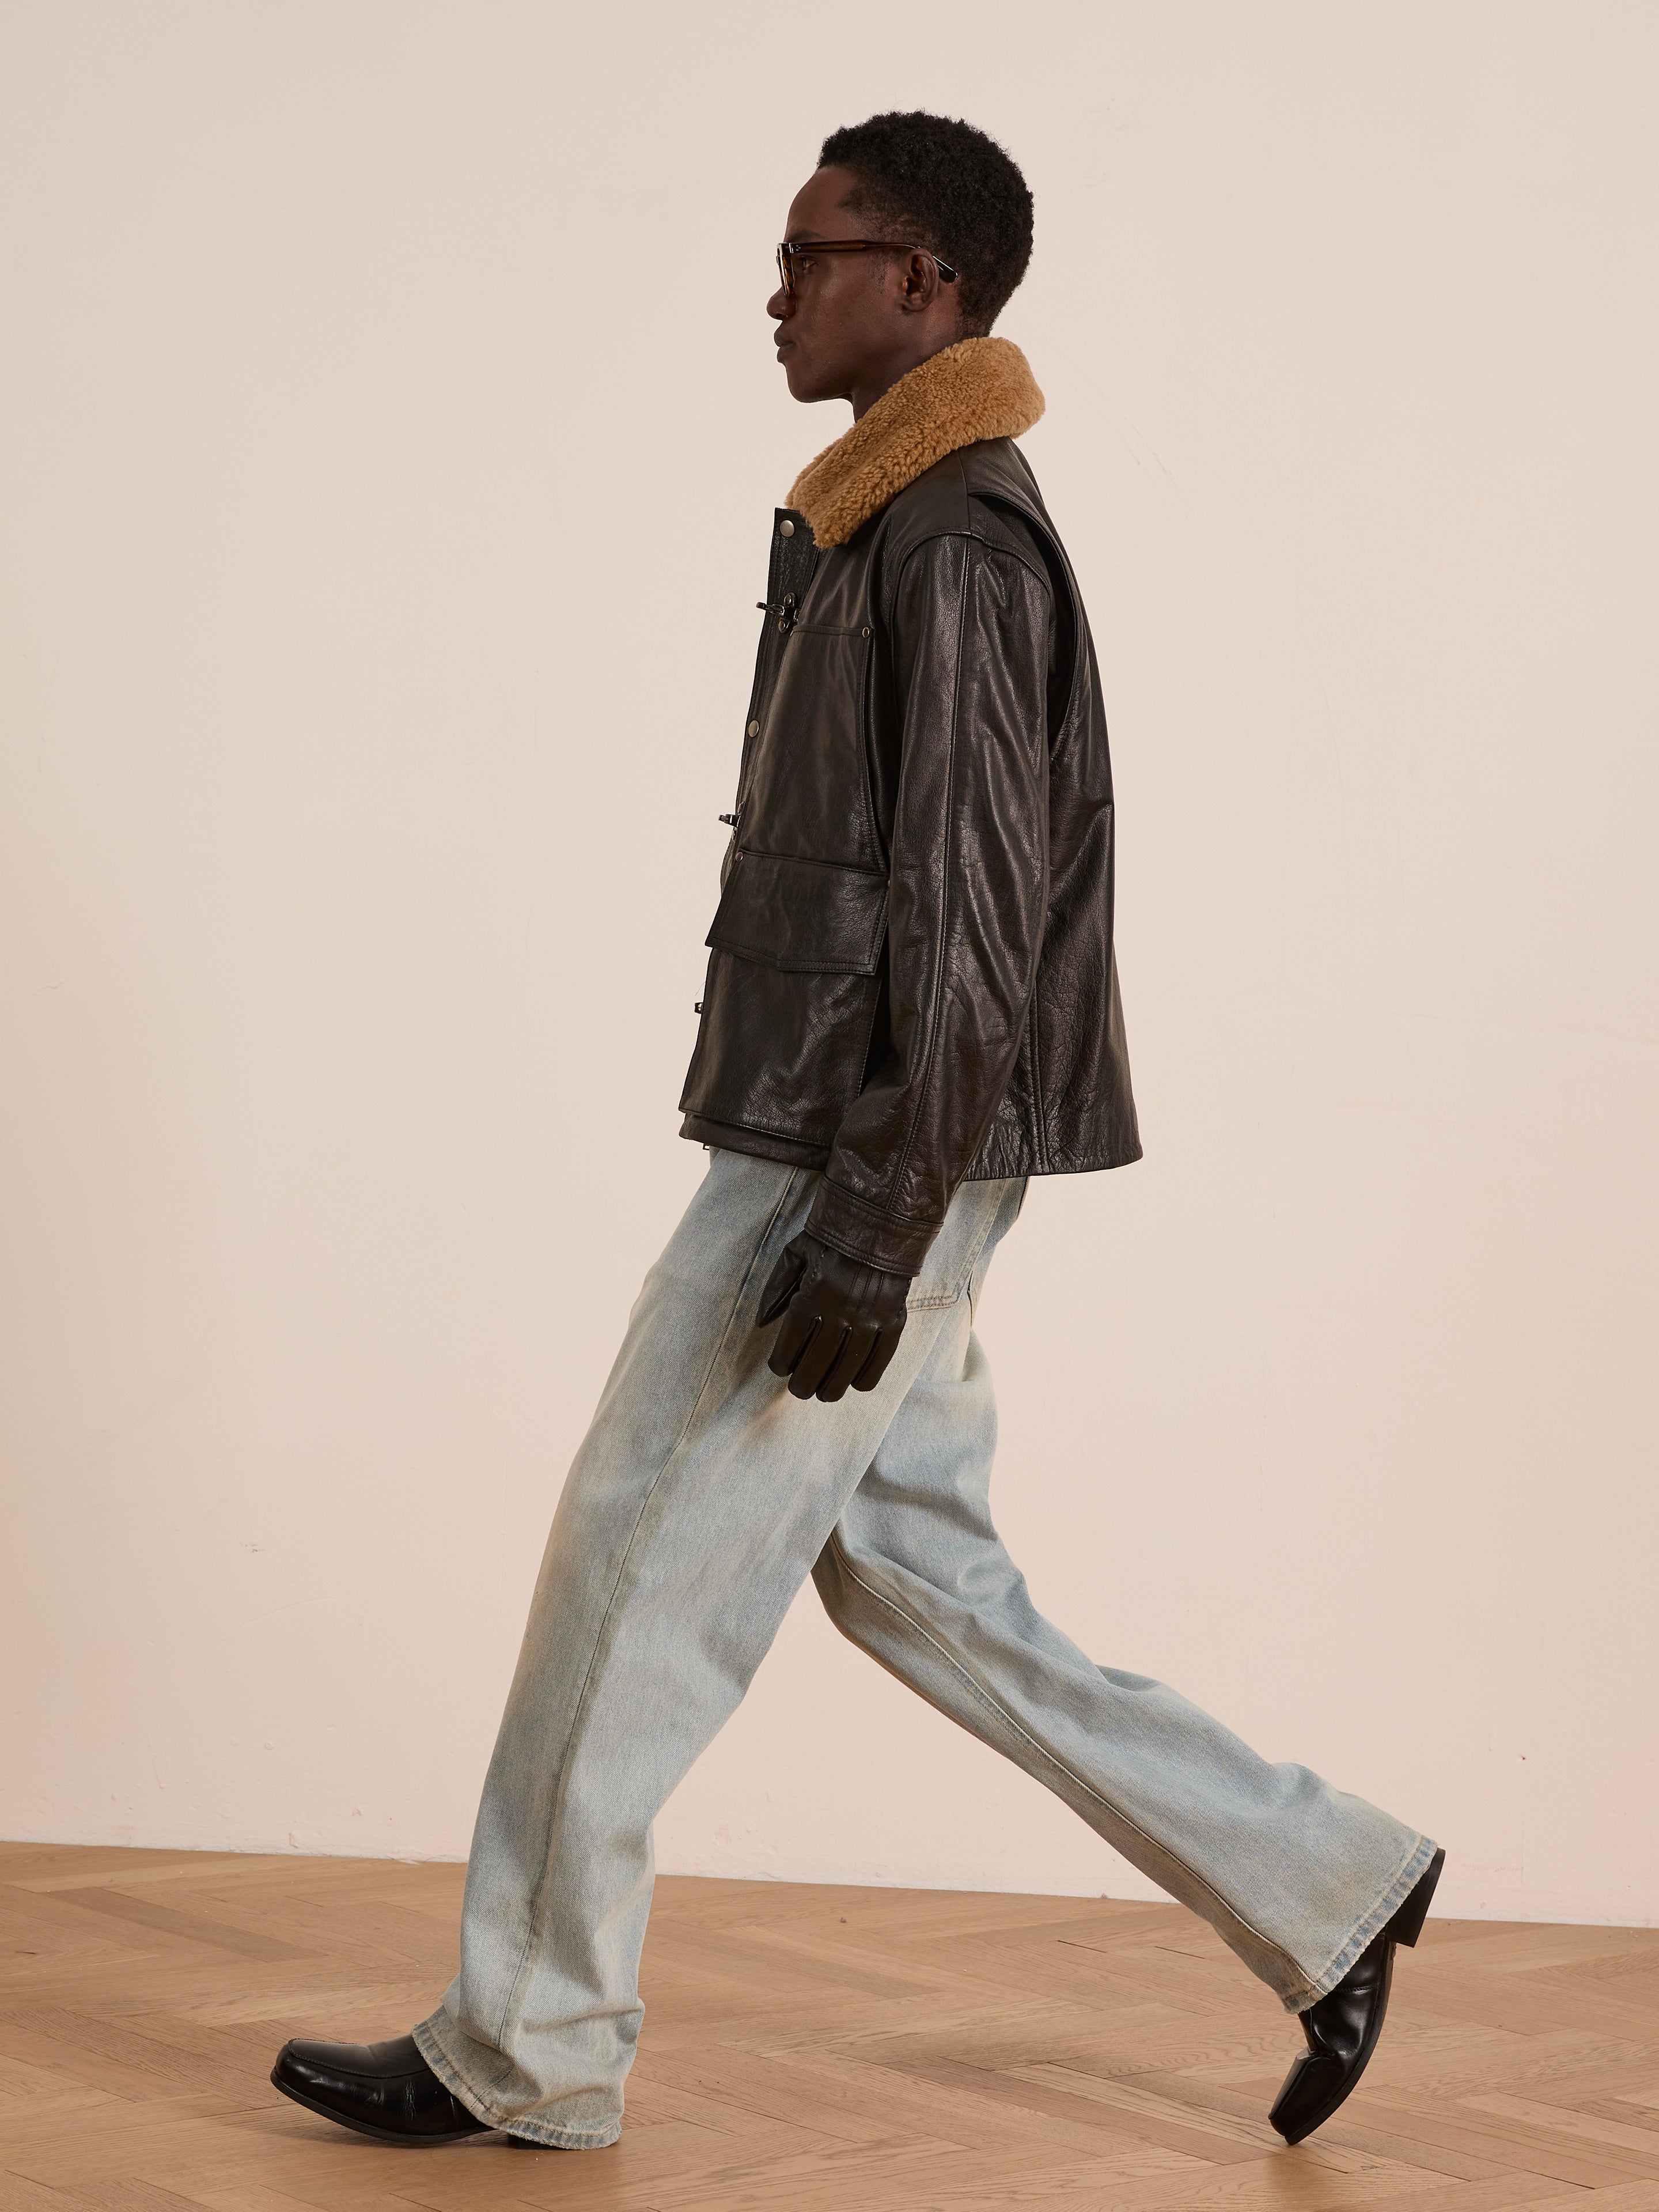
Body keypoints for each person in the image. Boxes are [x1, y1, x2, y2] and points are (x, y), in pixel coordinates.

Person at [272, 108, 1441, 2158]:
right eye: (787, 251)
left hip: (858, 1152)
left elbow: (976, 930)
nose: (780, 287)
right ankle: (1324, 1882)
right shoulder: (878, 522)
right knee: (922, 1581)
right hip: (883, 1140)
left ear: (932, 286)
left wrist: (875, 1230)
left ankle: (523, 2047)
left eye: (821, 254)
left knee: (627, 1568)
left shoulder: (958, 542)